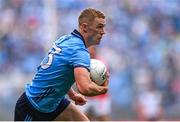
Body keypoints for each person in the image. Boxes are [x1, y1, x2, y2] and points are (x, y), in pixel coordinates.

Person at [14, 8, 109, 121]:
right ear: (84, 27)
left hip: (54, 103)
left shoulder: (66, 39)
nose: (103, 31)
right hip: (33, 107)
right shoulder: (79, 51)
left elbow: (59, 72)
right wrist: (103, 88)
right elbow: (84, 88)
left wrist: (72, 95)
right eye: (99, 27)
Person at [78, 46, 112, 121]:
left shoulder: (101, 63)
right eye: (88, 49)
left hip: (100, 97)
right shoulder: (82, 62)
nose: (90, 51)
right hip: (86, 96)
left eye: (92, 49)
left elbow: (105, 80)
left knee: (103, 117)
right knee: (83, 117)